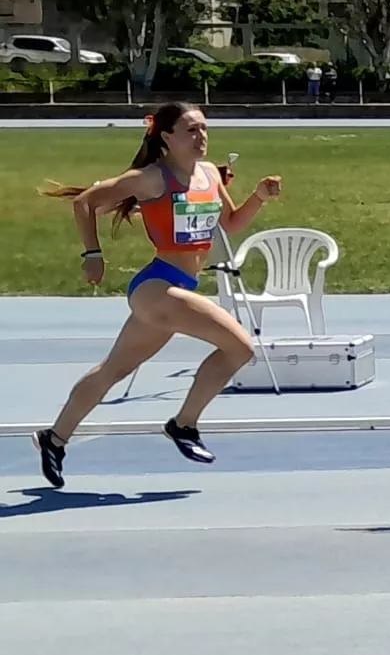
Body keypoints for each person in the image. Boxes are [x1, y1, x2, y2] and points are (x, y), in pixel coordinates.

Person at [32, 102, 282, 488]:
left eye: (203, 129)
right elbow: (86, 202)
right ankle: (183, 424)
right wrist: (93, 254)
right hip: (157, 286)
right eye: (190, 130)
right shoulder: (152, 178)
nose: (201, 137)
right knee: (240, 348)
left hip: (181, 287)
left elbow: (229, 225)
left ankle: (54, 438)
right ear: (166, 137)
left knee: (113, 370)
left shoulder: (211, 175)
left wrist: (259, 197)